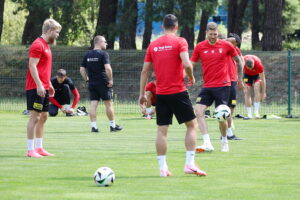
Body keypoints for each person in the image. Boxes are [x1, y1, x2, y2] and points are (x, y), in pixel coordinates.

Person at [139, 14, 206, 177]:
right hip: (177, 92)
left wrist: (142, 94)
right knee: (192, 125)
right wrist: (190, 76)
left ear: (163, 27)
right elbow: (187, 63)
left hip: (161, 94)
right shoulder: (180, 41)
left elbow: (145, 71)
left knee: (162, 131)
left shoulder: (153, 45)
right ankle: (189, 164)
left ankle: (163, 168)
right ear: (176, 27)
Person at [191, 22, 244, 153]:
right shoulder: (199, 47)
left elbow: (239, 61)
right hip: (208, 86)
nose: (213, 37)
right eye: (211, 34)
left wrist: (240, 78)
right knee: (198, 111)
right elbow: (191, 64)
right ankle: (207, 142)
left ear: (218, 33)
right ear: (206, 33)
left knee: (222, 117)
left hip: (223, 86)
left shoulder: (226, 45)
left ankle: (225, 140)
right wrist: (187, 75)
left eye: (215, 34)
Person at [25, 19, 61, 158]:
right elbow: (32, 66)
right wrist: (40, 84)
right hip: (35, 87)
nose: (57, 35)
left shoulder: (46, 45)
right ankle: (30, 150)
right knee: (35, 117)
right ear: (49, 31)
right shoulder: (37, 44)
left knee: (44, 116)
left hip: (44, 86)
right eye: (57, 32)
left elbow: (43, 68)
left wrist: (48, 84)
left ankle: (39, 148)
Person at [80, 35, 123, 133]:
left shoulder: (87, 55)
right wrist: (111, 80)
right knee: (108, 104)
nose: (106, 43)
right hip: (103, 82)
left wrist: (87, 79)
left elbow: (82, 69)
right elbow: (108, 68)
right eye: (104, 42)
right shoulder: (103, 54)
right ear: (99, 42)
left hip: (92, 83)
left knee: (93, 104)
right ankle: (112, 126)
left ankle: (94, 127)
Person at [224, 33, 244, 140]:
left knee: (231, 107)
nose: (227, 41)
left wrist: (240, 79)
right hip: (226, 81)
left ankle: (228, 131)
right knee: (228, 107)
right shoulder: (224, 48)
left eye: (231, 41)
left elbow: (241, 62)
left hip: (232, 80)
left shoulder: (235, 51)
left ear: (236, 43)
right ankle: (228, 133)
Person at [243, 55, 266, 119]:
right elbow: (238, 72)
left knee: (256, 87)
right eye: (248, 68)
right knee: (247, 91)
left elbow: (263, 79)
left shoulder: (259, 64)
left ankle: (256, 113)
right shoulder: (242, 60)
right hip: (247, 75)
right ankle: (249, 114)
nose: (250, 69)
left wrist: (264, 92)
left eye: (251, 67)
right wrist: (243, 83)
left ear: (254, 63)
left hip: (256, 75)